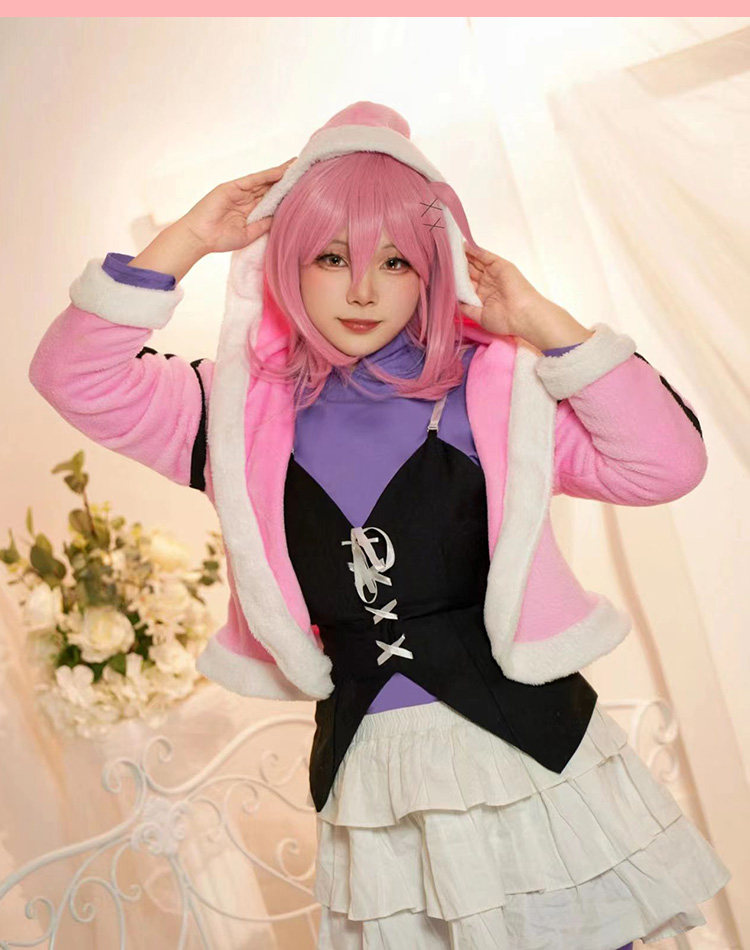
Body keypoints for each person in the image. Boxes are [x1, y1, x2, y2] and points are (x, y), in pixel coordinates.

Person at [29, 101, 731, 948]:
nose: (362, 290)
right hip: (371, 780)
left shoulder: (491, 391)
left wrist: (546, 325)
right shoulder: (231, 410)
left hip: (530, 758)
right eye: (332, 257)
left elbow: (668, 463)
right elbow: (71, 376)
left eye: (395, 261)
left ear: (432, 270)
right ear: (288, 261)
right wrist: (187, 238)